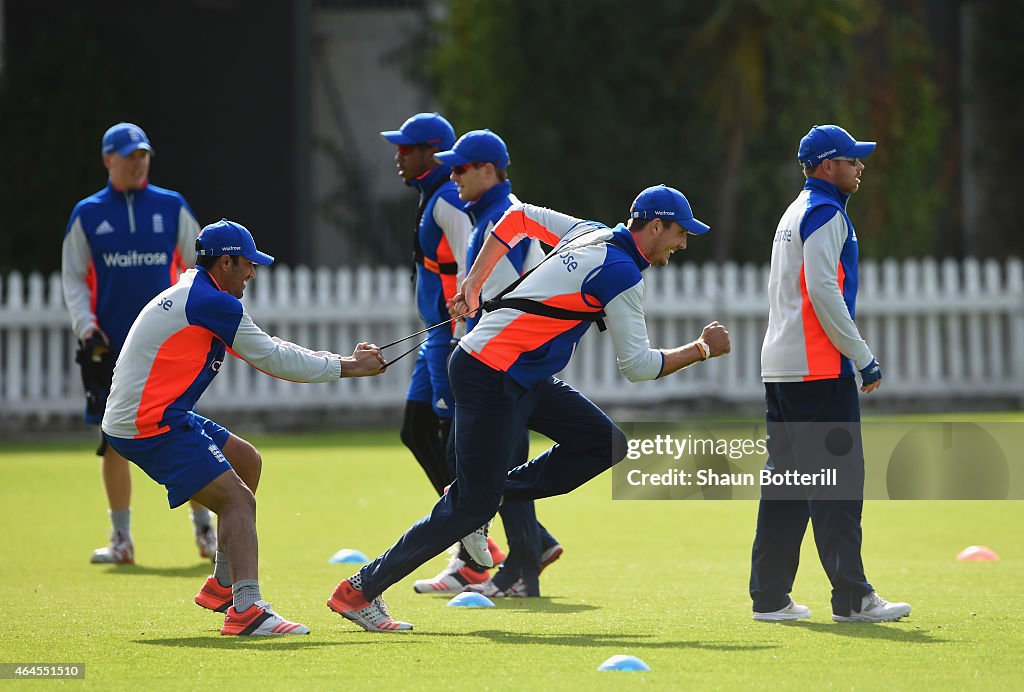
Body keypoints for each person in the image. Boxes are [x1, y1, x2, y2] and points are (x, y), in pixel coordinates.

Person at [326, 184, 731, 631]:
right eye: (679, 233)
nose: (683, 243)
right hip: (489, 374)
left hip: (521, 376)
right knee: (469, 508)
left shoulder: (589, 231)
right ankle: (360, 590)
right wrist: (702, 349)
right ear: (655, 226)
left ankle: (490, 492)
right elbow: (637, 366)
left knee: (604, 444)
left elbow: (516, 220)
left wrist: (474, 282)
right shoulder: (621, 275)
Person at [101, 219, 386, 636]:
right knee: (238, 501)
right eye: (248, 264)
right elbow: (273, 358)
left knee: (245, 460)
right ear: (225, 262)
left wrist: (345, 361)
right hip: (147, 422)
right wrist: (349, 366)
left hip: (159, 413)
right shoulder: (210, 301)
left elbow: (275, 349)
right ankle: (247, 611)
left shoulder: (198, 290)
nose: (253, 272)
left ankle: (223, 585)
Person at [751, 124, 911, 623]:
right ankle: (852, 598)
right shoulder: (824, 213)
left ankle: (771, 597)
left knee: (787, 485)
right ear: (827, 166)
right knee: (837, 483)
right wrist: (861, 355)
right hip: (818, 370)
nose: (860, 166)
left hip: (782, 368)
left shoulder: (795, 210)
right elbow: (824, 292)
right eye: (851, 160)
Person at [61, 122, 214, 565]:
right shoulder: (87, 213)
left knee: (184, 429)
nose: (138, 162)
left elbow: (198, 265)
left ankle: (205, 533)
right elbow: (72, 277)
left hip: (169, 346)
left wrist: (195, 320)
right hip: (109, 346)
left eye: (143, 155)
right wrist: (85, 326)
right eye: (129, 155)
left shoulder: (171, 207)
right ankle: (122, 539)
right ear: (108, 159)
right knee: (112, 439)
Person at [419, 129, 562, 598]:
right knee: (484, 462)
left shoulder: (502, 216)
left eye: (461, 168)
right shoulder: (489, 214)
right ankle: (519, 560)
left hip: (503, 364)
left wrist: (468, 334)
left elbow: (500, 302)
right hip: (506, 361)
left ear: (488, 170)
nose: (453, 175)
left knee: (498, 465)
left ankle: (519, 569)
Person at [380, 113, 505, 590]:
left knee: (460, 444)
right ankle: (488, 540)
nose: (398, 156)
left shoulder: (449, 201)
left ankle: (478, 554)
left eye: (406, 149)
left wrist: (461, 335)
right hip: (436, 335)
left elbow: (474, 266)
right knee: (417, 429)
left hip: (451, 336)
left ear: (431, 152)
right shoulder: (435, 196)